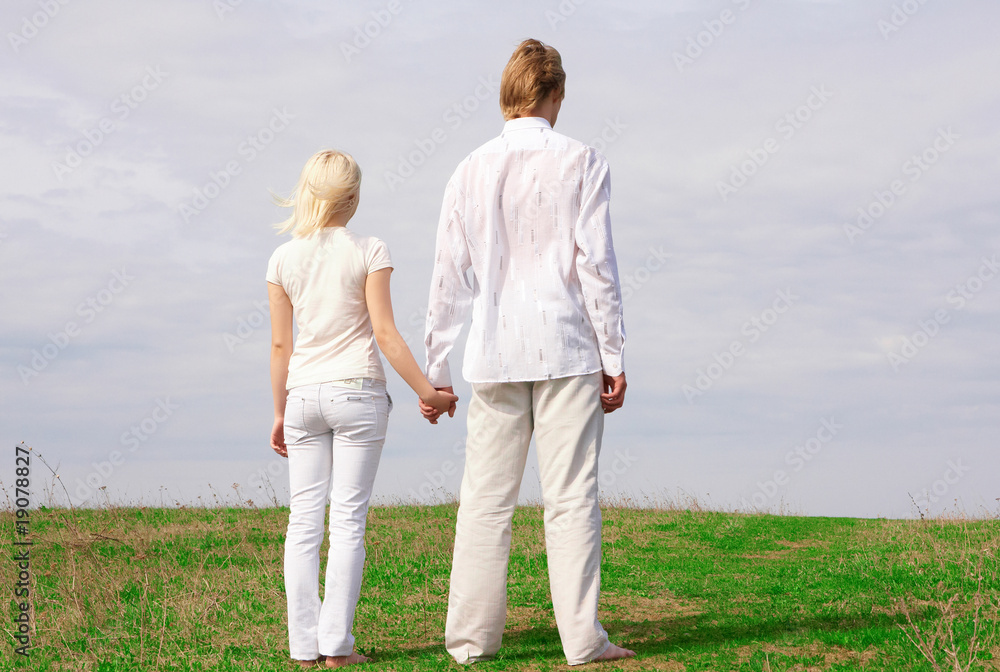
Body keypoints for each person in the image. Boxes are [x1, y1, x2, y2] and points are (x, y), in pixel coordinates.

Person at [420, 39, 634, 665]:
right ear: (556, 94)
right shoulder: (584, 161)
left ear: (507, 94)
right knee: (571, 499)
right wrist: (614, 356)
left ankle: (470, 643)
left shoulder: (468, 169)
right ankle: (582, 640)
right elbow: (597, 266)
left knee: (485, 503)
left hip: (493, 352)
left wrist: (436, 368)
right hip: (568, 348)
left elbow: (448, 276)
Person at [267, 149, 458, 669]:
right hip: (357, 393)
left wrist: (280, 413)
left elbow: (281, 346)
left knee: (303, 522)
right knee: (348, 520)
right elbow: (386, 334)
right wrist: (428, 392)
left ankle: (303, 648)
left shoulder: (282, 259)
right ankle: (336, 647)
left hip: (302, 396)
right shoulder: (371, 249)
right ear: (351, 197)